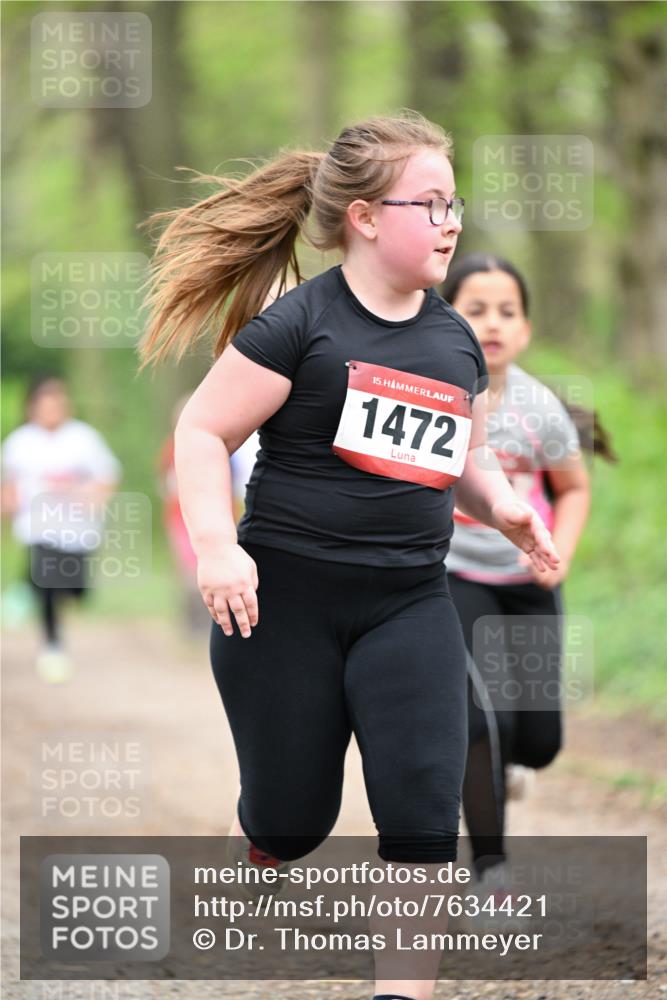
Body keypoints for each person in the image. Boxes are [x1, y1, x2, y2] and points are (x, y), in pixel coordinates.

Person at [138, 111, 560, 1000]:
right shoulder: (299, 325)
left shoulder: (453, 342)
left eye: (455, 204)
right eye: (431, 203)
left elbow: (464, 459)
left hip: (409, 604)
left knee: (417, 806)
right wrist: (217, 548)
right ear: (365, 217)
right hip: (282, 604)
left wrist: (506, 509)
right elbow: (203, 431)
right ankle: (261, 840)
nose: (451, 222)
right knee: (295, 820)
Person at [441, 253, 613, 902]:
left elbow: (572, 488)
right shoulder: (439, 396)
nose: (491, 323)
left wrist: (558, 553)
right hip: (453, 573)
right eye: (475, 309)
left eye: (506, 312)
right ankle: (492, 871)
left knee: (536, 741)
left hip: (529, 580)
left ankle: (515, 763)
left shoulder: (539, 408)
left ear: (526, 329)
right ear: (446, 317)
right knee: (482, 724)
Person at [1, 375, 121, 682]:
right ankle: (53, 646)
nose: (53, 409)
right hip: (38, 527)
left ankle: (24, 591)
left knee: (74, 589)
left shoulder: (83, 438)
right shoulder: (20, 442)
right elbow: (8, 484)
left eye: (58, 402)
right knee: (47, 583)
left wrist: (93, 497)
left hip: (78, 529)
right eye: (46, 404)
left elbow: (107, 476)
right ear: (32, 408)